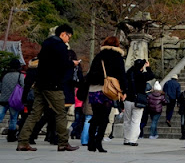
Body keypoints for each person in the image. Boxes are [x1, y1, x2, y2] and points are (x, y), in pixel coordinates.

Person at [17, 24, 80, 152]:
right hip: (53, 84)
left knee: (34, 114)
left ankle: (23, 141)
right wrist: (72, 63)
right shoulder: (60, 46)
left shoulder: (46, 44)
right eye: (69, 36)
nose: (69, 39)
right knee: (61, 113)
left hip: (40, 83)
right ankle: (63, 142)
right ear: (63, 34)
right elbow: (62, 64)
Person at [85, 36, 126, 152]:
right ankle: (99, 142)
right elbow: (122, 75)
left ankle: (90, 143)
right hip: (108, 90)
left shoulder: (99, 56)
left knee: (95, 117)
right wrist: (124, 90)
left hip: (94, 89)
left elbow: (90, 73)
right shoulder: (117, 57)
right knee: (104, 118)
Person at [122, 59, 154, 146]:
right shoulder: (142, 75)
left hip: (128, 99)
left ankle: (126, 139)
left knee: (127, 120)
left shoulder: (128, 74)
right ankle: (133, 139)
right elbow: (151, 76)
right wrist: (148, 67)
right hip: (138, 100)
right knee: (136, 121)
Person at [1, 58, 24, 142]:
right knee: (13, 118)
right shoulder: (19, 75)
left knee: (0, 115)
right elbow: (23, 86)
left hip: (3, 99)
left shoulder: (4, 74)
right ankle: (11, 136)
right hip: (14, 100)